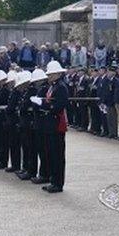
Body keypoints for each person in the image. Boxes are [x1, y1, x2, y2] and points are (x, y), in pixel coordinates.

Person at [41, 61, 69, 193]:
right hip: (49, 123)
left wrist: (45, 106)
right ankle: (53, 180)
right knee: (50, 154)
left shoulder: (61, 87)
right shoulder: (53, 86)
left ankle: (58, 183)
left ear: (57, 74)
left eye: (51, 74)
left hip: (56, 123)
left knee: (57, 155)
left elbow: (59, 105)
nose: (49, 76)